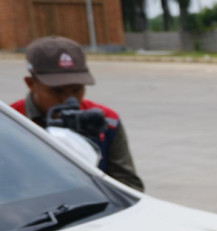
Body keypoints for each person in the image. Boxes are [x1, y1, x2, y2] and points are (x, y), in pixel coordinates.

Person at [10, 36, 144, 192]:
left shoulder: (107, 120)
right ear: (31, 83)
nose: (68, 99)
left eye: (76, 90)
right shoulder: (11, 122)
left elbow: (129, 185)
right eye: (57, 91)